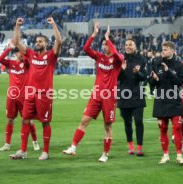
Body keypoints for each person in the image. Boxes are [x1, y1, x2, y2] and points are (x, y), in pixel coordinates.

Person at [63, 23, 123, 163]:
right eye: (103, 44)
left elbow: (117, 55)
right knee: (84, 121)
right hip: (96, 95)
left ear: (111, 45)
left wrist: (108, 38)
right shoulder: (99, 57)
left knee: (107, 126)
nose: (104, 46)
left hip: (109, 97)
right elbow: (85, 48)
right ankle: (73, 147)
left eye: (106, 44)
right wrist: (94, 34)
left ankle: (105, 154)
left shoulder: (117, 59)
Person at [9, 17, 62, 160]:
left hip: (44, 94)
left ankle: (45, 152)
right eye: (37, 41)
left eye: (41, 41)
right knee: (25, 120)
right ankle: (23, 151)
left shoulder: (51, 55)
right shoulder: (31, 54)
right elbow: (17, 43)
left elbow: (59, 42)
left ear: (46, 43)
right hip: (30, 94)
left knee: (45, 121)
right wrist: (17, 26)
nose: (38, 43)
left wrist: (53, 25)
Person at [0, 41, 40, 152]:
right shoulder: (11, 63)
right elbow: (0, 59)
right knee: (10, 119)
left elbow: (30, 58)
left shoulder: (27, 64)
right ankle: (7, 144)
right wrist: (9, 48)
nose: (20, 54)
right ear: (15, 53)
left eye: (22, 52)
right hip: (12, 96)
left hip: (25, 97)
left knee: (28, 121)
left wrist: (24, 52)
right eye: (18, 52)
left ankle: (35, 141)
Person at [149, 41, 183, 165]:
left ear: (172, 50)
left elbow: (180, 82)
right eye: (162, 49)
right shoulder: (156, 62)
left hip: (174, 99)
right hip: (160, 99)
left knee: (177, 126)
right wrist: (153, 79)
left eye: (165, 49)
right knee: (163, 128)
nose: (162, 51)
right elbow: (152, 83)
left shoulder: (179, 65)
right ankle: (165, 155)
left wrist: (168, 71)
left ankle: (179, 155)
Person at [117, 38, 147, 156]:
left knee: (139, 121)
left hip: (137, 94)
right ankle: (130, 146)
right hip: (124, 95)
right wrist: (122, 70)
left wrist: (138, 73)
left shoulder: (142, 59)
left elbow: (145, 76)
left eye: (130, 45)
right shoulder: (120, 59)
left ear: (135, 46)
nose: (128, 46)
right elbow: (116, 77)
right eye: (126, 45)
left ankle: (139, 147)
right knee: (127, 122)